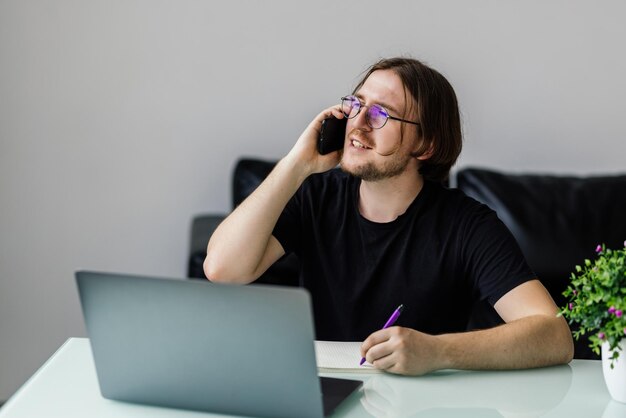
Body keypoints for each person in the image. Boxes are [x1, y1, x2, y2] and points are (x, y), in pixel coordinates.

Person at [204, 57, 574, 375]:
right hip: (324, 392)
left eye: (382, 113)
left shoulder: (467, 225)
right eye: (356, 104)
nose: (359, 122)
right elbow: (222, 270)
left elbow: (554, 335)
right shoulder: (316, 196)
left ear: (426, 144)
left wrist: (438, 352)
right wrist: (296, 164)